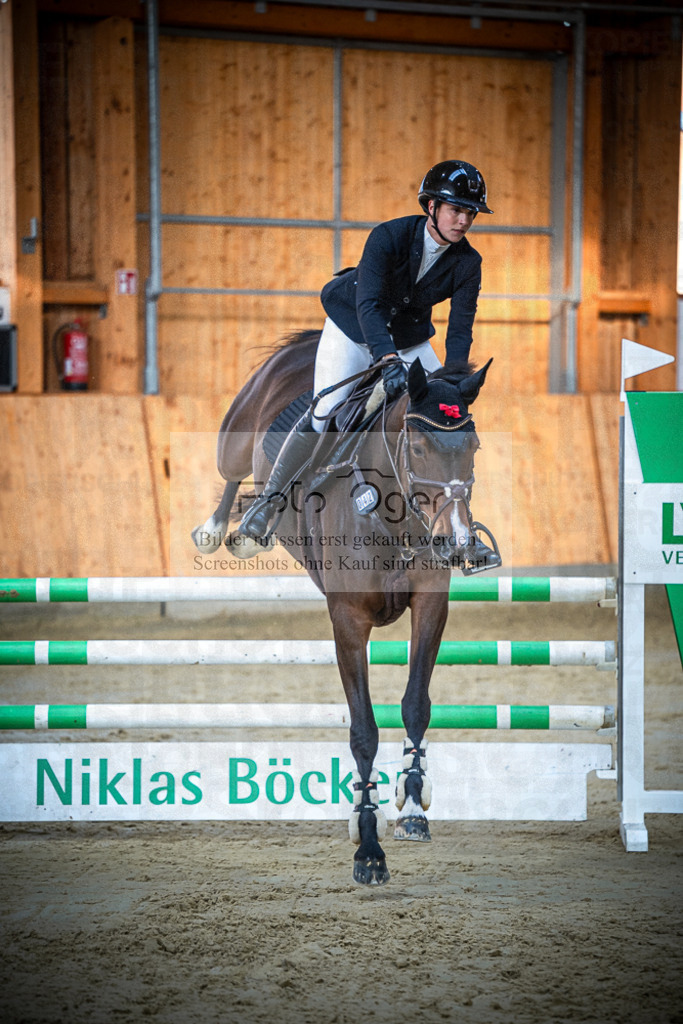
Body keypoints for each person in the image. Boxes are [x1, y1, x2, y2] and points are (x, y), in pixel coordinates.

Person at [238, 159, 499, 567]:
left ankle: (461, 530)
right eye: (455, 210)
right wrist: (386, 358)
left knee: (444, 417)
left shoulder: (468, 263)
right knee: (325, 410)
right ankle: (268, 503)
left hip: (409, 337)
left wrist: (452, 381)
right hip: (354, 326)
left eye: (469, 213)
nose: (463, 220)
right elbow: (369, 304)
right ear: (430, 206)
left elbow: (460, 329)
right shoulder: (388, 237)